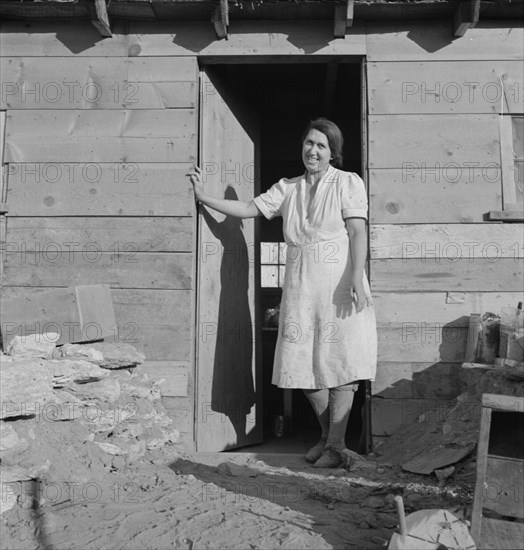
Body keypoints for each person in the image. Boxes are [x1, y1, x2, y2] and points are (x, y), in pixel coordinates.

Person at [187, 118, 377, 468]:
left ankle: (335, 445)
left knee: (341, 360)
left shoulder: (348, 183)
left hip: (339, 282)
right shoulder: (288, 188)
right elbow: (246, 209)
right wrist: (203, 197)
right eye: (308, 143)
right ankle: (328, 439)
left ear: (332, 151)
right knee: (302, 363)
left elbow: (357, 232)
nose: (313, 150)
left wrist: (355, 276)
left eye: (321, 145)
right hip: (301, 285)